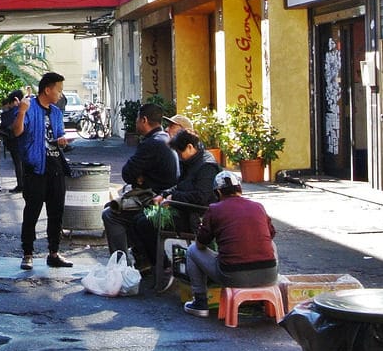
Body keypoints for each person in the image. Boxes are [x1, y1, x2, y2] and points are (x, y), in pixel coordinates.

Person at [133, 128, 221, 291]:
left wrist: (174, 198)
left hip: (194, 215)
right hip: (181, 209)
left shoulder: (207, 167)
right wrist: (165, 194)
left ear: (190, 147)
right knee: (139, 218)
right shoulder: (189, 162)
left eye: (180, 153)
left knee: (146, 223)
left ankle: (165, 267)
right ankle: (155, 265)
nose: (179, 157)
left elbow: (201, 197)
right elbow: (181, 185)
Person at [184, 170, 279, 317]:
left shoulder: (214, 209)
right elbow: (271, 235)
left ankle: (200, 302)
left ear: (218, 193)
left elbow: (200, 244)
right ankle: (260, 301)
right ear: (240, 189)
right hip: (269, 276)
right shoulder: (258, 206)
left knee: (191, 251)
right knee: (271, 245)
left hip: (233, 277)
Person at [101, 102, 178, 264]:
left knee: (110, 214)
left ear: (144, 120)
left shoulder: (152, 143)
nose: (135, 123)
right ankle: (141, 258)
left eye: (137, 119)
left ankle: (120, 264)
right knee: (118, 208)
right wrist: (138, 177)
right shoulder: (165, 139)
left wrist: (139, 178)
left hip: (155, 199)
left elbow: (127, 173)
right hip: (165, 196)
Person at [12, 71, 73, 270]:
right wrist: (21, 111)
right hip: (35, 168)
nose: (60, 94)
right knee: (32, 212)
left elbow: (59, 134)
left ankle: (54, 252)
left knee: (56, 212)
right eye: (59, 90)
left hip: (55, 166)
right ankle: (27, 254)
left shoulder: (56, 112)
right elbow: (17, 131)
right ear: (48, 89)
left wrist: (62, 141)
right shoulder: (28, 108)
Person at [0, 90, 25, 193]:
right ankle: (24, 184)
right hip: (24, 141)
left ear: (14, 101)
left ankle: (21, 184)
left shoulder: (11, 113)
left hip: (14, 141)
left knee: (18, 164)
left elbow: (5, 126)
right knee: (23, 164)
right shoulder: (26, 109)